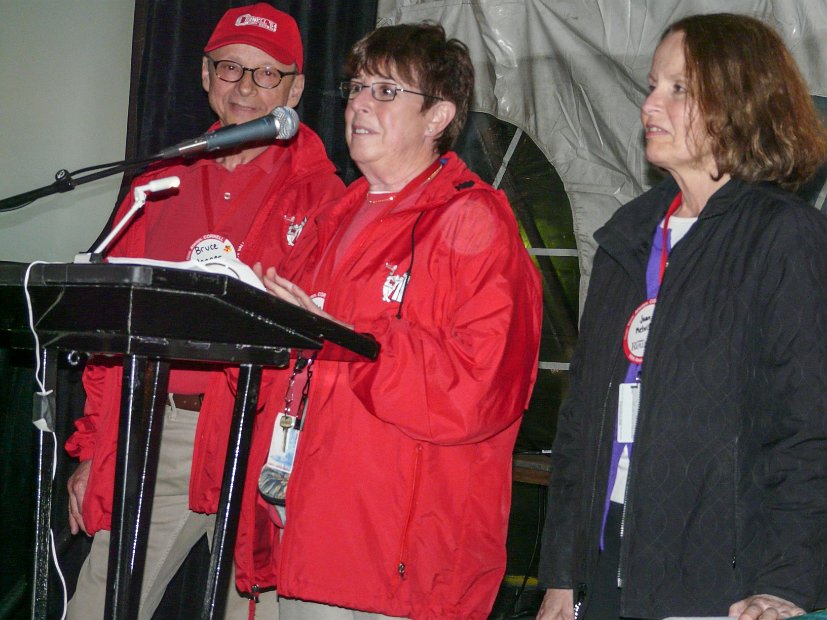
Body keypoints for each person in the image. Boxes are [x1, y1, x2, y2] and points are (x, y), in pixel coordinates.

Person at [244, 22, 542, 620]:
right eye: (356, 87)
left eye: (385, 91)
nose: (358, 104)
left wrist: (347, 341)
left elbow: (481, 389)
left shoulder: (472, 221)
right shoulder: (336, 215)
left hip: (395, 559)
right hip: (305, 524)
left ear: (438, 117)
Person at [536, 12, 827, 620]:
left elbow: (807, 427)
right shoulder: (629, 236)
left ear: (742, 103)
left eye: (679, 89)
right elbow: (581, 418)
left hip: (723, 577)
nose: (650, 105)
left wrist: (787, 582)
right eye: (652, 86)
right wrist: (563, 572)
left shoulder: (783, 237)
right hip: (607, 559)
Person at [64, 4, 345, 618]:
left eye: (266, 74)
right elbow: (113, 327)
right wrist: (92, 450)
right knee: (97, 605)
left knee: (260, 608)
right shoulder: (161, 180)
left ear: (295, 88)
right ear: (204, 74)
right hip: (160, 429)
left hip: (259, 439)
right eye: (229, 68)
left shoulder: (324, 197)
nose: (244, 88)